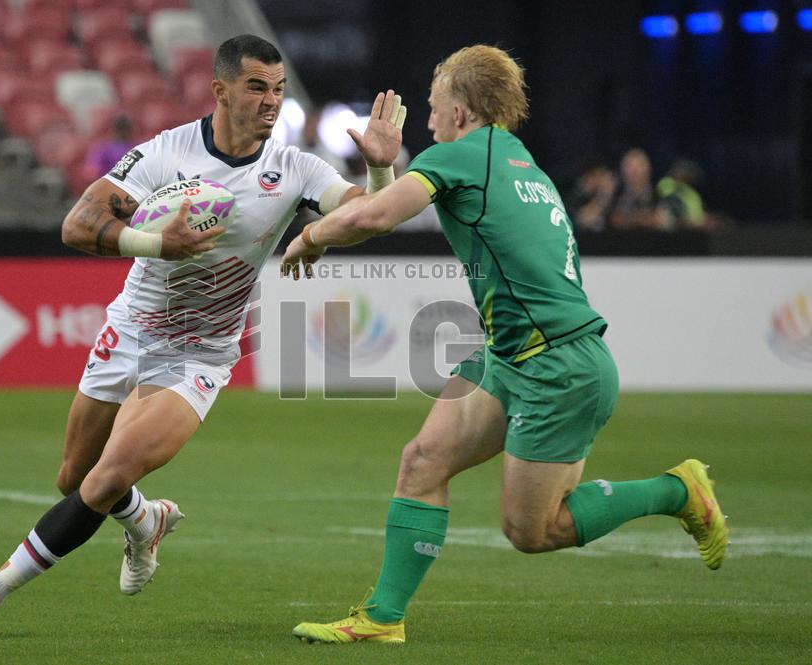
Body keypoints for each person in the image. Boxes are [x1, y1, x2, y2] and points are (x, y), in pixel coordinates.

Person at [0, 34, 408, 636]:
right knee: (73, 478)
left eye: (278, 89)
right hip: (131, 327)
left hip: (202, 352)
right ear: (220, 90)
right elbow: (78, 224)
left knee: (104, 480)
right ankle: (145, 520)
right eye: (256, 87)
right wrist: (155, 243)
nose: (271, 101)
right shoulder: (166, 154)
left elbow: (366, 216)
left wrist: (378, 168)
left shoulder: (295, 168)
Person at [281, 44, 728, 645]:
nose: (430, 121)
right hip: (511, 353)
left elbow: (371, 219)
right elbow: (384, 205)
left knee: (532, 531)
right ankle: (382, 620)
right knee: (422, 460)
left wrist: (309, 234)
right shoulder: (514, 157)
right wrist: (383, 168)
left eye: (435, 108)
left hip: (557, 367)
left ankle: (678, 490)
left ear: (462, 112)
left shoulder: (460, 155)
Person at [609, 147, 661, 230]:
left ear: (649, 169)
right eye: (630, 166)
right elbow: (614, 220)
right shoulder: (614, 197)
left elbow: (659, 221)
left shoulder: (660, 195)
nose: (635, 171)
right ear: (622, 170)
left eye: (640, 165)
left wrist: (628, 220)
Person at [83, 113, 135, 180]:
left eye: (125, 129)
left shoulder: (134, 149)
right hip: (109, 184)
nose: (123, 132)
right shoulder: (103, 150)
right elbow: (92, 171)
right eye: (120, 129)